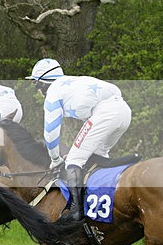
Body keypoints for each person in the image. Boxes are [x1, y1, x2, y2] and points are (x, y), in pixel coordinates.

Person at [26, 58, 131, 221]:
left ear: (43, 84)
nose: (36, 89)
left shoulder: (53, 93)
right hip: (124, 111)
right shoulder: (73, 83)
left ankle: (76, 210)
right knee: (96, 156)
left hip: (106, 112)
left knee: (74, 160)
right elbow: (88, 125)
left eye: (36, 84)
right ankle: (104, 200)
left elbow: (51, 133)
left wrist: (55, 159)